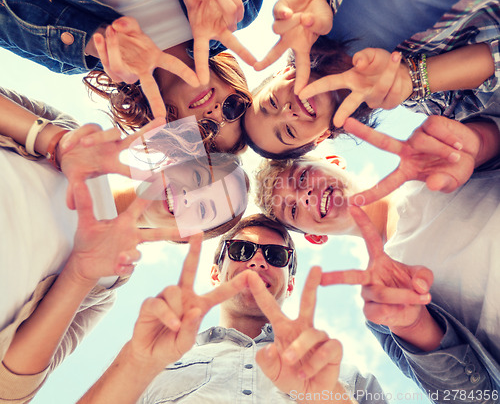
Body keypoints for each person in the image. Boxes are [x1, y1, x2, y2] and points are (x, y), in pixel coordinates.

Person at [0, 86, 249, 401]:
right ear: (175, 163)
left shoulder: (102, 288)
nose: (189, 195)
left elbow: (9, 391)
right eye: (198, 179)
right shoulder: (75, 137)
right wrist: (56, 143)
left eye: (203, 209)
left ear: (184, 236)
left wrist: (80, 274)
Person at [254, 116, 500, 400]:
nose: (306, 196)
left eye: (302, 178)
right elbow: (474, 397)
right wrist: (413, 326)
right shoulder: (382, 312)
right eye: (293, 210)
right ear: (314, 237)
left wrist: (482, 142)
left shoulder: (427, 165)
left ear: (334, 161)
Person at [76, 214, 387, 403]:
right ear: (216, 272)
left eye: (276, 256)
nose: (257, 261)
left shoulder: (347, 379)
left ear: (290, 284)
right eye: (241, 250)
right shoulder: (153, 361)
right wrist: (137, 360)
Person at [0, 0, 268, 151]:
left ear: (174, 132)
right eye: (233, 109)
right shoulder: (242, 6)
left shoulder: (72, 58)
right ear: (237, 87)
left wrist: (95, 37)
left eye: (206, 130)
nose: (216, 113)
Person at [242, 0, 500, 158]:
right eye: (288, 131)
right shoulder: (434, 101)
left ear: (282, 73)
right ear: (321, 138)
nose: (287, 111)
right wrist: (412, 78)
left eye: (272, 103)